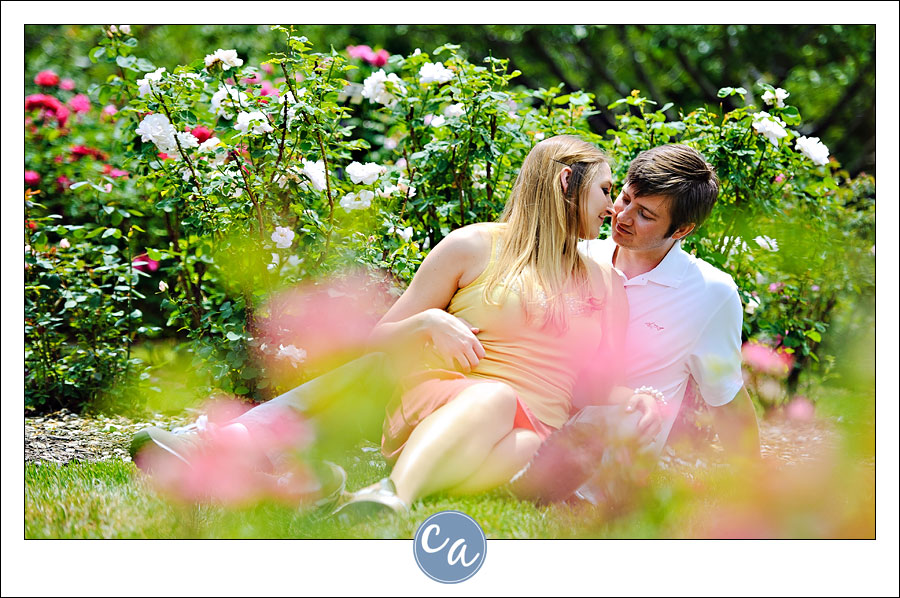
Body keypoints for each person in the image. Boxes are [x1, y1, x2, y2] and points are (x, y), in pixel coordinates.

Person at [132, 135, 660, 514]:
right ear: (567, 182)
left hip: (531, 435)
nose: (613, 208)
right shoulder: (473, 246)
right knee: (495, 398)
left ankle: (306, 486)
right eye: (606, 191)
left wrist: (635, 397)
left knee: (531, 453)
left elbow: (592, 385)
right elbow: (374, 340)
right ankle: (389, 497)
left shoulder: (605, 281)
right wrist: (428, 321)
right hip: (455, 406)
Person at [511, 144, 760, 506]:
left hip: (612, 439)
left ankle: (560, 489)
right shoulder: (581, 254)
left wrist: (755, 486)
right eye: (624, 198)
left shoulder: (710, 293)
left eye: (644, 214)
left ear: (682, 229)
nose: (621, 216)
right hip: (547, 410)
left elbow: (727, 399)